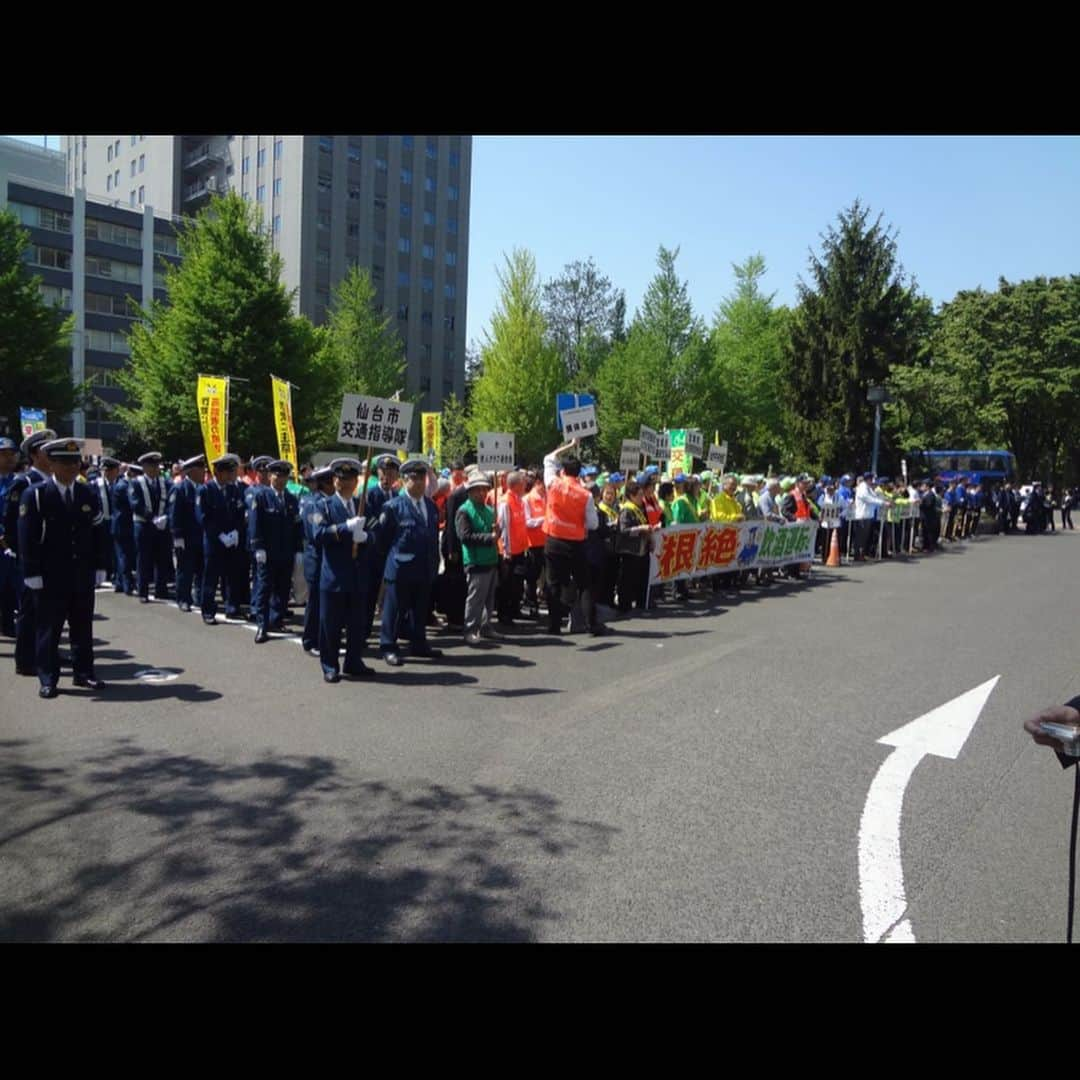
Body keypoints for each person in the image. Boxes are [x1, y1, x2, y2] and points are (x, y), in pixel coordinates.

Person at [17, 438, 109, 698]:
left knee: (82, 626)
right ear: (52, 463)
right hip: (50, 574)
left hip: (81, 572)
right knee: (49, 628)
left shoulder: (86, 493)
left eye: (74, 461)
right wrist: (31, 572)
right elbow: (27, 538)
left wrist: (102, 564)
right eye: (64, 462)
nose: (71, 467)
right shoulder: (35, 494)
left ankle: (84, 673)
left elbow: (98, 531)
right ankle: (48, 678)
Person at [311, 458, 376, 682]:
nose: (343, 482)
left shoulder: (362, 505)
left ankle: (354, 661)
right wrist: (345, 528)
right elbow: (318, 535)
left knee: (356, 624)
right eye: (339, 478)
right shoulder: (323, 505)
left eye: (348, 479)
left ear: (356, 481)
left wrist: (366, 537)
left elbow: (376, 532)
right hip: (335, 576)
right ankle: (330, 665)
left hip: (358, 576)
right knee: (331, 624)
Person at [377, 459, 443, 666]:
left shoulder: (431, 506)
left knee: (420, 609)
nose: (420, 483)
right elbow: (383, 540)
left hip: (424, 567)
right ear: (405, 480)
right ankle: (388, 646)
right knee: (394, 611)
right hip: (400, 568)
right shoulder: (393, 507)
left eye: (422, 478)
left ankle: (419, 643)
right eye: (414, 479)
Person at [5, 429, 57, 674]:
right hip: (31, 558)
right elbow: (13, 524)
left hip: (53, 558)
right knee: (30, 609)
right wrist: (20, 555)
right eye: (49, 452)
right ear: (35, 455)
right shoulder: (23, 482)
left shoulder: (54, 481)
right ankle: (26, 660)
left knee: (52, 610)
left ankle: (47, 653)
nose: (53, 457)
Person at [542, 437, 605, 637]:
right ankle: (591, 624)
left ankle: (554, 625)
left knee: (553, 583)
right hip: (576, 543)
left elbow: (548, 458)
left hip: (553, 539)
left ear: (563, 471)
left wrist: (569, 445)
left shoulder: (553, 484)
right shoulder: (585, 495)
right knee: (584, 584)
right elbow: (594, 524)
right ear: (579, 474)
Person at [249, 460, 303, 643]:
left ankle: (276, 619)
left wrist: (298, 550)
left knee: (282, 588)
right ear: (270, 475)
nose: (281, 480)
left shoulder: (291, 499)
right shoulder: (261, 497)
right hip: (267, 552)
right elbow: (255, 524)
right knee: (264, 589)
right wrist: (258, 547)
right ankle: (262, 625)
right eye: (277, 475)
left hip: (285, 552)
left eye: (284, 476)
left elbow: (296, 526)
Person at [197, 453, 248, 624]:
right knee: (211, 577)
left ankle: (232, 607)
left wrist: (235, 533)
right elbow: (204, 518)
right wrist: (220, 535)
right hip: (214, 542)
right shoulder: (205, 490)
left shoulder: (234, 490)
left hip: (232, 540)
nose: (230, 475)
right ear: (218, 472)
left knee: (233, 576)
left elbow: (240, 514)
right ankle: (208, 610)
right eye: (227, 472)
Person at [457, 474, 500, 645]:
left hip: (490, 559)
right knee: (475, 599)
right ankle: (470, 629)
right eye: (478, 490)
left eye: (484, 489)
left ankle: (486, 626)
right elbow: (465, 536)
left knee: (489, 599)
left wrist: (497, 532)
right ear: (470, 492)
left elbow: (495, 534)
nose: (482, 493)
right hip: (475, 560)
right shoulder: (464, 510)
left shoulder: (490, 510)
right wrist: (489, 537)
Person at [127, 451, 173, 603]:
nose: (155, 469)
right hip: (144, 525)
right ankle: (143, 591)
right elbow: (135, 504)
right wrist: (152, 517)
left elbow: (170, 501)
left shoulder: (164, 482)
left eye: (156, 466)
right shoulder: (136, 482)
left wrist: (165, 516)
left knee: (162, 558)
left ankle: (161, 589)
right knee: (144, 559)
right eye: (151, 466)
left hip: (161, 526)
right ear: (145, 467)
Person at [300, 465, 335, 655]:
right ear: (325, 484)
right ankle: (310, 640)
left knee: (325, 603)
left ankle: (322, 639)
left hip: (326, 559)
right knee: (315, 603)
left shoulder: (329, 501)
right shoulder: (314, 503)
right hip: (316, 558)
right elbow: (315, 534)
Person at [166, 455, 205, 613]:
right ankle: (183, 598)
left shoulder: (203, 488)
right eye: (201, 469)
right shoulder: (180, 488)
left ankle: (200, 597)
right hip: (186, 536)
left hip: (201, 536)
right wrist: (177, 536)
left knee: (201, 569)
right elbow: (174, 514)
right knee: (185, 569)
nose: (203, 472)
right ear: (192, 471)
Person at [616, 480, 658, 613]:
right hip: (630, 550)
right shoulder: (627, 510)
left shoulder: (639, 508)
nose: (642, 498)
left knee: (641, 578)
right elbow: (623, 531)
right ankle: (625, 606)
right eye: (639, 495)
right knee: (627, 580)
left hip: (641, 548)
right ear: (631, 496)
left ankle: (641, 602)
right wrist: (640, 529)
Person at [496, 470, 531, 625]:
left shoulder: (519, 500)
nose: (525, 485)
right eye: (523, 482)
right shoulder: (505, 502)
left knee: (516, 584)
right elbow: (503, 528)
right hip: (508, 551)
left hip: (519, 549)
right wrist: (506, 550)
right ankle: (504, 614)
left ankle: (514, 610)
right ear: (516, 485)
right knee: (506, 584)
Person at [0, 436, 21, 638]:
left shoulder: (17, 482)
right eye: (4, 455)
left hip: (12, 545)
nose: (8, 459)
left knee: (11, 590)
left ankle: (7, 624)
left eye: (11, 454)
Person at [522, 473, 547, 619]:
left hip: (547, 542)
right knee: (532, 577)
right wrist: (544, 520)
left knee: (550, 576)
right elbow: (527, 522)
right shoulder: (528, 499)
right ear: (537, 483)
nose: (545, 489)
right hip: (533, 544)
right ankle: (532, 605)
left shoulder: (547, 497)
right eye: (543, 486)